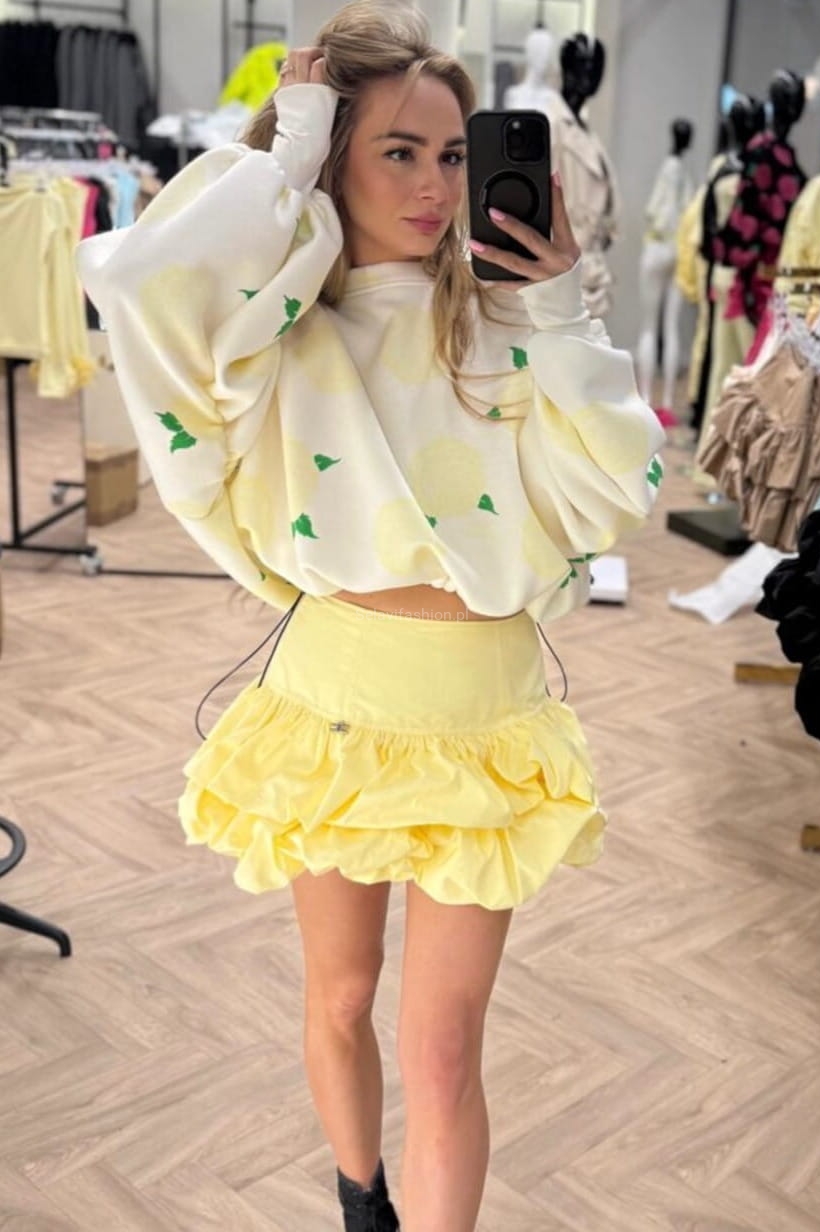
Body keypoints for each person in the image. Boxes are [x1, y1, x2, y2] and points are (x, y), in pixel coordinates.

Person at [76, 3, 665, 1229]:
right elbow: (140, 282)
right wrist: (289, 149)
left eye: (451, 154)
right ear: (336, 156)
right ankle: (361, 1198)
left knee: (443, 1046)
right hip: (333, 707)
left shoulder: (514, 320)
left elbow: (619, 485)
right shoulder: (276, 327)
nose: (435, 184)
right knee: (340, 995)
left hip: (483, 717)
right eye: (397, 151)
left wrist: (561, 304)